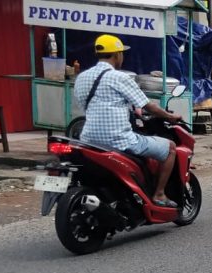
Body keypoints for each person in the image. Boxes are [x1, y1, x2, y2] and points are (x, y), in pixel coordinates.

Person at [74, 34, 183, 208]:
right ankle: (160, 194)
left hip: (89, 140)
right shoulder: (119, 77)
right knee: (170, 148)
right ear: (117, 55)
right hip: (118, 140)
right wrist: (170, 116)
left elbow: (90, 104)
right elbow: (148, 106)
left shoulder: (82, 77)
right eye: (122, 54)